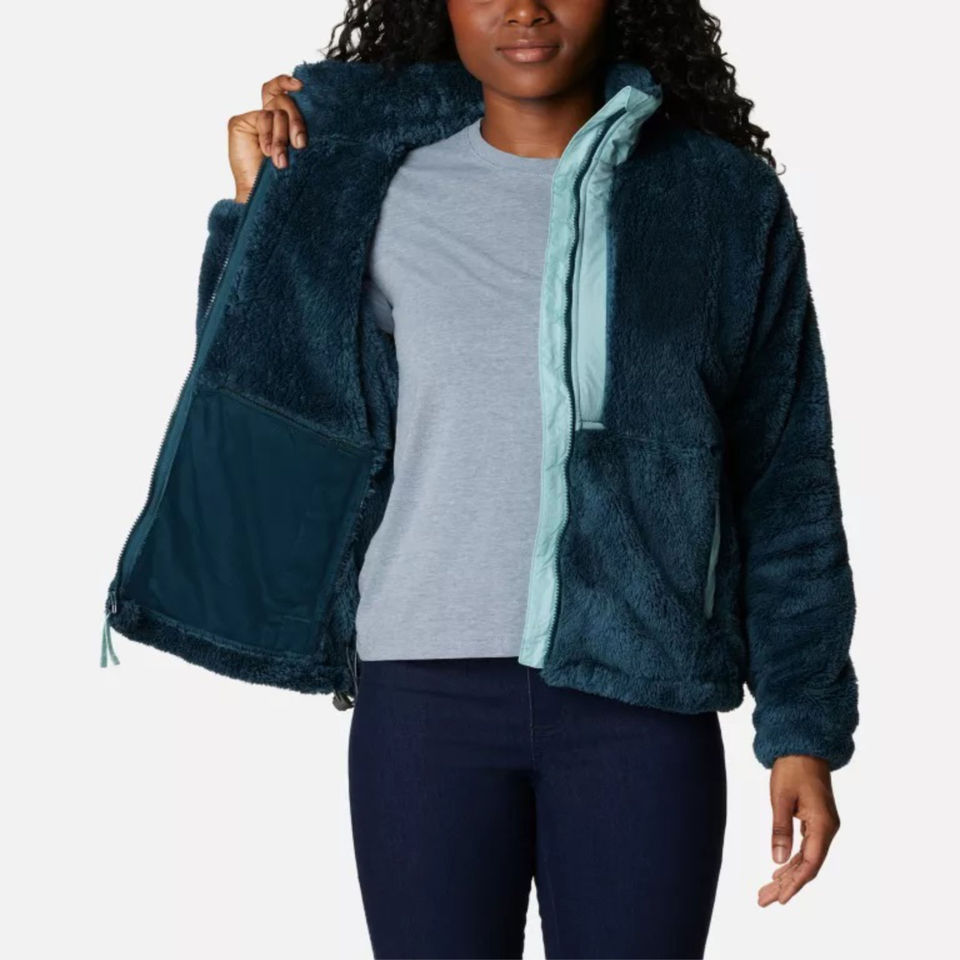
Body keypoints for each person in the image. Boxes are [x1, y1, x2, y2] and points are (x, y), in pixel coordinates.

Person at [103, 1, 858, 957]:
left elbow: (787, 481)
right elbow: (263, 407)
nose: (524, 7)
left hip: (644, 695)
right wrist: (263, 210)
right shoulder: (374, 185)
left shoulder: (720, 200)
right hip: (423, 698)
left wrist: (802, 726)